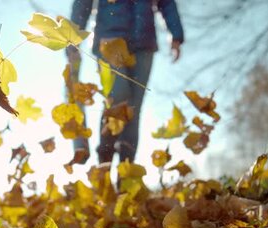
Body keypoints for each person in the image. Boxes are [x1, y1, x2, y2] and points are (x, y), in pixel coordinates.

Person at [67, 0, 184, 165]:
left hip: (144, 42)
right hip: (109, 39)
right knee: (117, 97)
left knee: (133, 111)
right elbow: (83, 3)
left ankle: (126, 176)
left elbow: (166, 3)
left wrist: (176, 34)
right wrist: (72, 38)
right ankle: (104, 162)